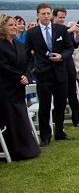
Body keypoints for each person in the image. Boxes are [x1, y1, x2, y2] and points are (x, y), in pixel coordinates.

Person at [24, 2, 74, 146]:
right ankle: (45, 136)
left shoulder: (61, 29)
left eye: (48, 13)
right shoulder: (32, 33)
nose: (46, 16)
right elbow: (27, 53)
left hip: (60, 72)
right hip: (43, 73)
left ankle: (59, 131)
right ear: (37, 15)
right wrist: (32, 68)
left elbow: (69, 48)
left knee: (60, 104)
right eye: (43, 14)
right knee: (44, 106)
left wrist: (61, 56)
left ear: (51, 14)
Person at [0, 15, 40, 161]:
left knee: (20, 116)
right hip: (5, 88)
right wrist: (19, 77)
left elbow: (28, 61)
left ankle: (27, 148)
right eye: (11, 25)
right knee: (11, 117)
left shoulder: (18, 44)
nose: (14, 27)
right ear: (2, 27)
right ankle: (14, 150)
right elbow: (3, 66)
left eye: (15, 25)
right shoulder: (1, 45)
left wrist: (27, 75)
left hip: (19, 87)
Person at [53, 7, 79, 127]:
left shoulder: (67, 30)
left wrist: (76, 35)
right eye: (60, 17)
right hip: (55, 65)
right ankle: (56, 118)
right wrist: (70, 31)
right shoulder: (54, 30)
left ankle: (77, 118)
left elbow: (73, 45)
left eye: (63, 17)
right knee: (58, 94)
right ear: (54, 17)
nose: (62, 19)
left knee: (72, 93)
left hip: (68, 64)